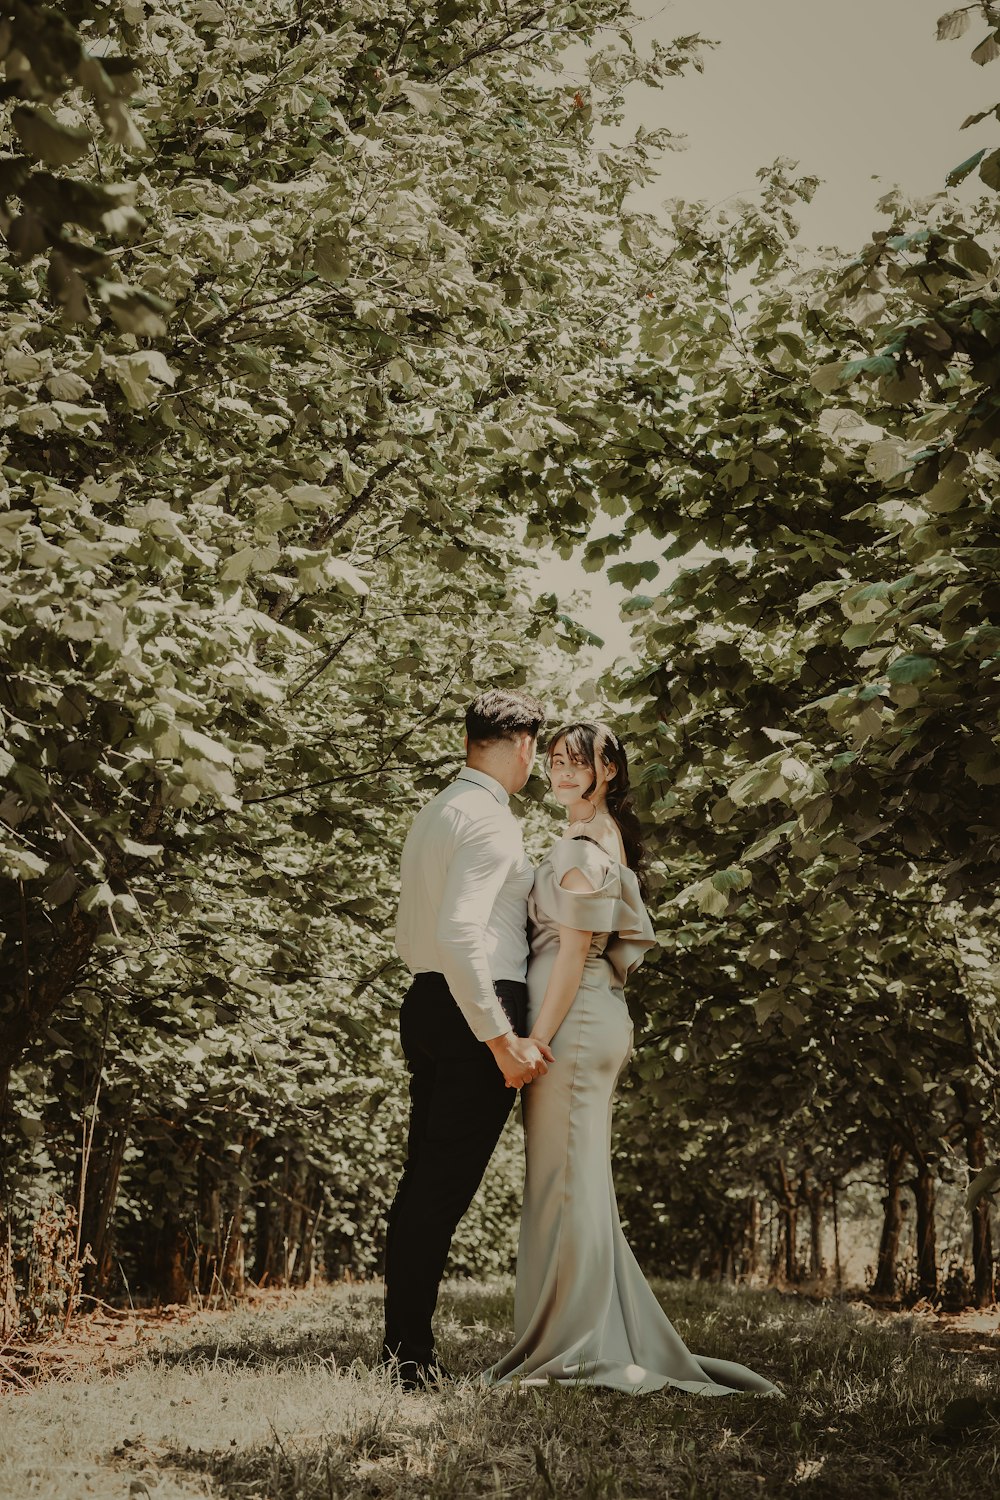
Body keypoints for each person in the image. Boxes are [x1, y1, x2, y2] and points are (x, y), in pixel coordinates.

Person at [486, 721, 779, 1396]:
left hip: (575, 1022)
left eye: (576, 762)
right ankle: (587, 1332)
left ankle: (576, 1345)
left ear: (609, 771)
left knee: (563, 1185)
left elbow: (576, 953)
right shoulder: (590, 837)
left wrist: (537, 1039)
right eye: (554, 761)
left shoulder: (588, 844)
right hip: (583, 1019)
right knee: (572, 1182)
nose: (560, 772)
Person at [382, 688, 555, 1390]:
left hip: (426, 999)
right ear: (523, 746)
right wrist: (500, 1038)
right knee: (439, 1194)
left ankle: (403, 1348)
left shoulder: (437, 811)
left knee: (421, 1186)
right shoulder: (490, 821)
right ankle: (410, 1362)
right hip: (471, 1009)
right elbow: (461, 934)